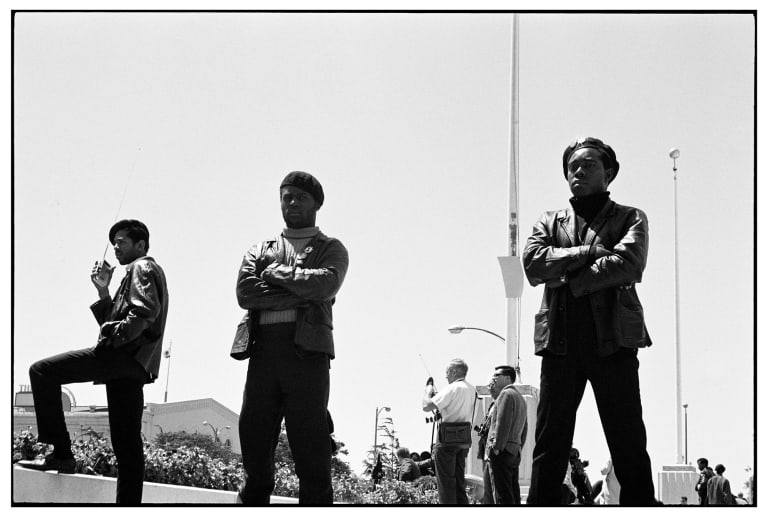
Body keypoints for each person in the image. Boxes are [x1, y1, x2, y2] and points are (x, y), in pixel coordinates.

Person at [522, 137, 655, 505]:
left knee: (628, 442)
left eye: (589, 164)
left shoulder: (631, 217)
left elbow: (629, 263)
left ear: (609, 173)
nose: (578, 170)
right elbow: (533, 265)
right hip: (560, 345)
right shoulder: (549, 221)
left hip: (613, 343)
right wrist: (588, 252)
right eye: (572, 166)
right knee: (549, 445)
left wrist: (569, 276)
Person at [19, 219, 169, 505]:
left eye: (121, 241)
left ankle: (62, 454)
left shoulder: (142, 267)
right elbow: (123, 318)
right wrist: (103, 292)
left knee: (42, 371)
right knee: (127, 445)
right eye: (114, 242)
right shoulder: (141, 272)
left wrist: (112, 336)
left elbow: (142, 314)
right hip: (135, 367)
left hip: (121, 359)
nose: (115, 246)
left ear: (140, 245)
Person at [235, 171, 349, 505]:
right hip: (263, 351)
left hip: (308, 354)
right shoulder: (260, 248)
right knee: (254, 441)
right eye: (287, 196)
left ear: (317, 204)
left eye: (301, 197)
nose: (293, 203)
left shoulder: (332, 248)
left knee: (310, 449)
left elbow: (325, 285)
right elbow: (246, 293)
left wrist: (277, 274)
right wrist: (303, 293)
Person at [422, 358, 476, 504]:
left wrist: (428, 392)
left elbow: (426, 406)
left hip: (447, 439)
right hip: (463, 439)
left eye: (447, 372)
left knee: (445, 483)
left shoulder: (453, 388)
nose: (446, 377)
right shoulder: (471, 389)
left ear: (454, 371)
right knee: (459, 483)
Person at [485, 365, 528, 505]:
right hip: (514, 451)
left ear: (508, 378)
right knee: (513, 492)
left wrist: (497, 447)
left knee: (502, 494)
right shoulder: (520, 398)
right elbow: (524, 428)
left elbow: (502, 422)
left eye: (497, 375)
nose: (494, 378)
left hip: (502, 451)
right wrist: (518, 446)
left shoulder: (506, 394)